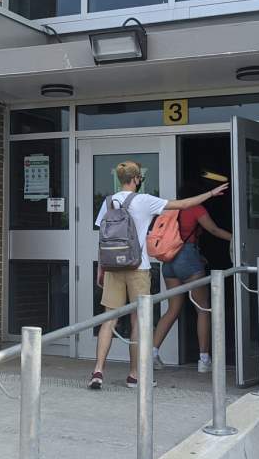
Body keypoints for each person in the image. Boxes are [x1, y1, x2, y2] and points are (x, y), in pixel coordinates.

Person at [89, 161, 227, 390]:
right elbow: (182, 204)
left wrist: (101, 268)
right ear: (136, 179)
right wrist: (211, 192)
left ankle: (97, 371)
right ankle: (134, 375)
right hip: (138, 267)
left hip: (113, 268)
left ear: (120, 179)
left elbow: (102, 239)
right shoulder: (143, 201)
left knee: (108, 319)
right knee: (138, 321)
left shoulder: (108, 202)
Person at [151, 180, 233, 373]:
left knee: (172, 309)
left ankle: (152, 353)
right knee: (203, 308)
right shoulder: (196, 208)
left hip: (168, 261)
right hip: (187, 258)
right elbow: (213, 230)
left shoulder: (169, 210)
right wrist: (236, 238)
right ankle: (204, 360)